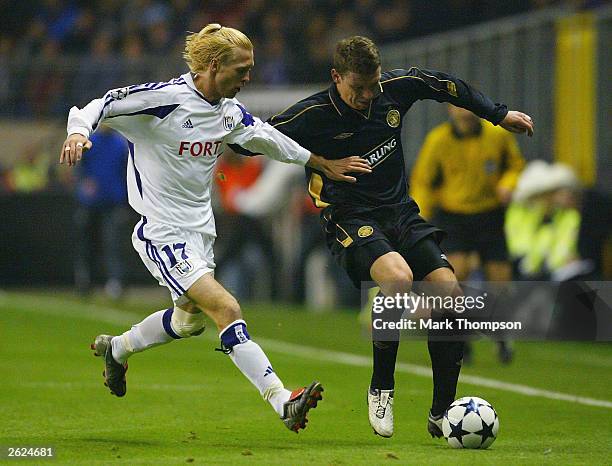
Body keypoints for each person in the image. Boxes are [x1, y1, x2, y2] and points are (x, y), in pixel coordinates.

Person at [59, 24, 371, 433]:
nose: (248, 78)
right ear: (212, 65)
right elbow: (102, 103)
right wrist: (79, 132)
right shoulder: (164, 100)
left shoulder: (227, 112)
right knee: (227, 309)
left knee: (189, 321)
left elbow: (266, 138)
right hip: (163, 233)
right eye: (241, 70)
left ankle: (117, 350)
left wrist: (318, 162)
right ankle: (282, 400)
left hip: (200, 234)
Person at [261, 36, 534, 438]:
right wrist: (319, 162)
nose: (367, 96)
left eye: (372, 86)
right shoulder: (313, 113)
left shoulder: (392, 90)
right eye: (358, 88)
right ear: (336, 77)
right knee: (398, 277)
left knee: (449, 292)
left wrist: (498, 113)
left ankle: (442, 413)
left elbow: (444, 85)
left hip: (400, 213)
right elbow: (251, 139)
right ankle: (381, 387)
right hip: (348, 218)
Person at [410, 104, 526, 364]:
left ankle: (502, 337)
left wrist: (508, 185)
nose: (466, 115)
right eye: (460, 110)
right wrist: (419, 216)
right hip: (454, 217)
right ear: (451, 111)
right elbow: (423, 181)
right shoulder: (438, 140)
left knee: (500, 280)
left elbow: (515, 165)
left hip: (489, 215)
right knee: (455, 276)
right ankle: (461, 337)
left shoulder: (497, 136)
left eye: (470, 110)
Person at [73, 126, 129, 299]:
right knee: (86, 244)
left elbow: (126, 173)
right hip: (90, 202)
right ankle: (84, 280)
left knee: (112, 243)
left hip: (113, 201)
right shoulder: (90, 142)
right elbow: (80, 168)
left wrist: (125, 200)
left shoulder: (120, 144)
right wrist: (84, 184)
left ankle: (115, 282)